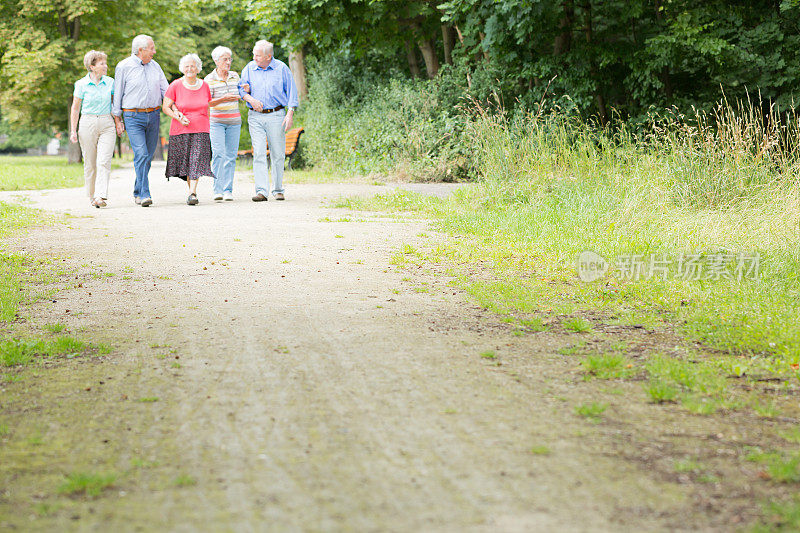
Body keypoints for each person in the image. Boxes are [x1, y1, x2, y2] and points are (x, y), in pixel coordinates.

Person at [112, 34, 169, 207]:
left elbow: (165, 90)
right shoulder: (123, 67)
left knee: (147, 156)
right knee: (141, 154)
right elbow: (118, 93)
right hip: (133, 116)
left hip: (153, 115)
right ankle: (145, 194)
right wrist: (117, 119)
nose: (154, 51)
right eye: (151, 48)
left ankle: (138, 190)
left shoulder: (155, 66)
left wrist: (176, 107)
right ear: (140, 50)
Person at [239, 40, 299, 202]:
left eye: (257, 55)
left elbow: (292, 91)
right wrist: (250, 98)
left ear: (268, 56)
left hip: (276, 115)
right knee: (258, 152)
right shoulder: (249, 68)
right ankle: (261, 191)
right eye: (254, 54)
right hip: (255, 116)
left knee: (278, 153)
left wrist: (290, 113)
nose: (254, 57)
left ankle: (278, 189)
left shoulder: (281, 69)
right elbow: (240, 88)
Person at [162, 53, 213, 205]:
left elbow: (208, 108)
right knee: (187, 162)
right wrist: (178, 117)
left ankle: (192, 192)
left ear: (198, 68)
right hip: (180, 129)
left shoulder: (204, 86)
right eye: (187, 66)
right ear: (182, 68)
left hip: (201, 128)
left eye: (193, 66)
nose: (190, 68)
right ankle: (192, 192)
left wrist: (208, 125)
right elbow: (166, 107)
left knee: (196, 159)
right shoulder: (175, 85)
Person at [69, 50, 115, 208]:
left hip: (107, 122)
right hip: (87, 122)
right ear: (92, 66)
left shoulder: (110, 82)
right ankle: (91, 196)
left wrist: (118, 122)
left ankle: (100, 196)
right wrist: (73, 130)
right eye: (102, 63)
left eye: (105, 63)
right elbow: (75, 109)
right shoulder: (81, 84)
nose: (106, 66)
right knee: (90, 163)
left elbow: (115, 105)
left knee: (104, 161)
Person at [204, 46, 242, 201]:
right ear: (216, 61)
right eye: (225, 59)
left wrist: (245, 90)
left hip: (234, 121)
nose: (228, 62)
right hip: (217, 122)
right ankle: (217, 189)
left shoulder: (235, 76)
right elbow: (207, 103)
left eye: (229, 59)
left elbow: (241, 93)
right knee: (219, 154)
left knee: (231, 156)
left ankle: (228, 190)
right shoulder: (209, 79)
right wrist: (223, 99)